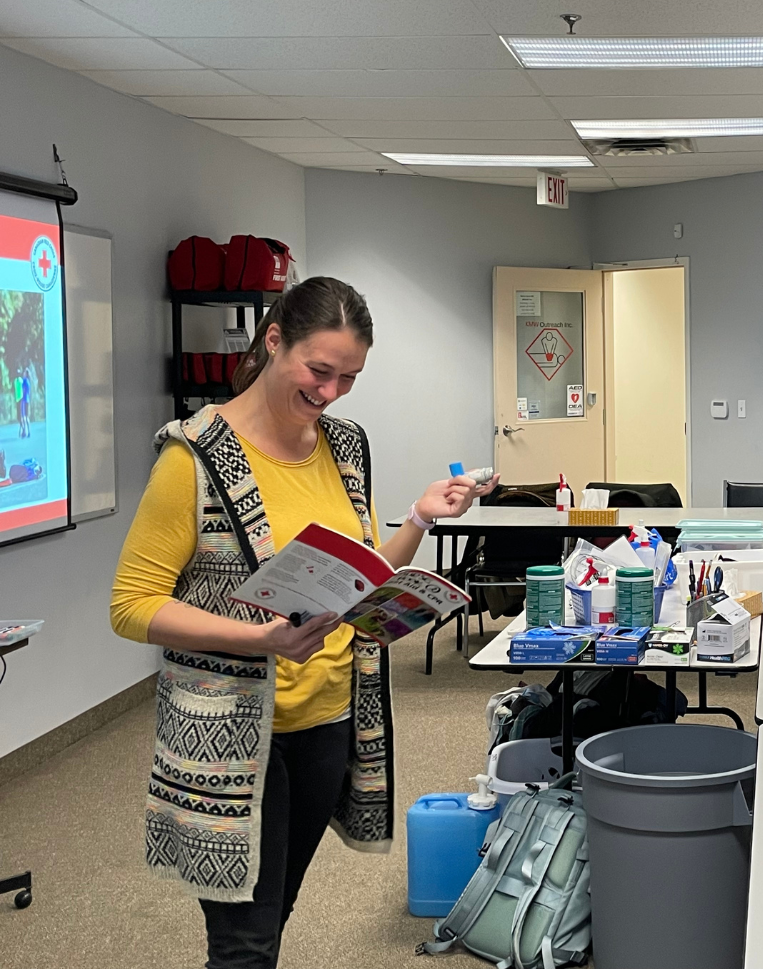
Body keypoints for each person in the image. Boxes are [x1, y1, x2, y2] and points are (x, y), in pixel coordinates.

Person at [111, 276, 493, 969]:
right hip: (230, 735)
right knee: (245, 944)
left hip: (327, 720)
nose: (331, 392)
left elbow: (361, 573)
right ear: (274, 339)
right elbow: (133, 606)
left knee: (272, 916)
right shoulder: (193, 458)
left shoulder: (344, 445)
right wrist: (261, 638)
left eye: (350, 377)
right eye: (320, 371)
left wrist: (421, 518)